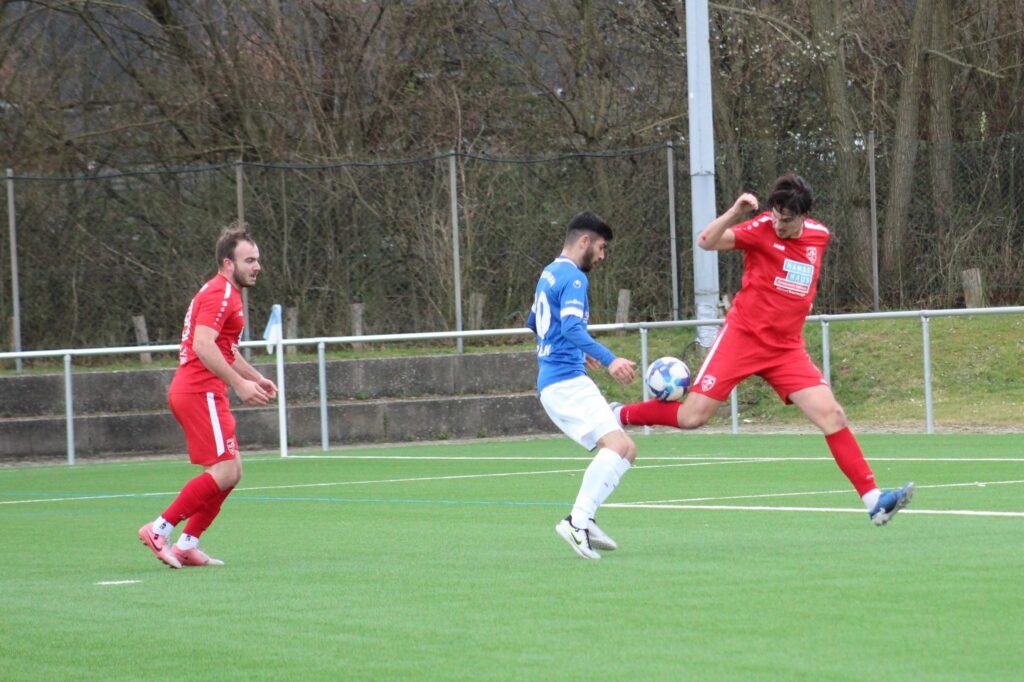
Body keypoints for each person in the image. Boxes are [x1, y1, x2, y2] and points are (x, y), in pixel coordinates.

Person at [614, 174, 915, 525]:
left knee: (833, 415)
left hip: (786, 349)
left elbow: (800, 279)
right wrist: (736, 211)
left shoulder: (819, 235)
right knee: (692, 417)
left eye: (787, 219)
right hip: (742, 338)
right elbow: (706, 241)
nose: (778, 224)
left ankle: (874, 501)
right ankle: (619, 415)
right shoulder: (760, 229)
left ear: (804, 216)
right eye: (775, 215)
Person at [138, 226, 277, 568]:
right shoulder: (220, 293)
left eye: (257, 259)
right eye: (249, 260)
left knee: (232, 471)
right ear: (228, 263)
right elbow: (202, 345)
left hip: (205, 391)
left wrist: (255, 378)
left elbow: (225, 348)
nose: (257, 266)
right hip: (200, 390)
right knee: (225, 471)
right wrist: (239, 384)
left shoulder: (226, 293)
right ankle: (159, 529)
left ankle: (187, 544)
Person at [527, 211, 639, 560]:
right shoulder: (574, 278)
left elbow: (534, 322)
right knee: (616, 446)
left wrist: (577, 350)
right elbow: (572, 328)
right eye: (602, 247)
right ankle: (576, 522)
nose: (602, 256)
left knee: (627, 449)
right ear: (585, 241)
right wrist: (610, 360)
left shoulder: (549, 273)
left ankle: (585, 519)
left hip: (560, 379)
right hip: (565, 382)